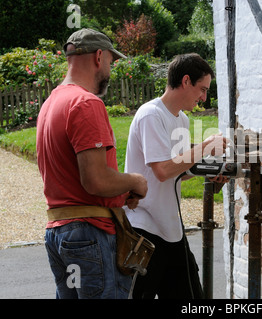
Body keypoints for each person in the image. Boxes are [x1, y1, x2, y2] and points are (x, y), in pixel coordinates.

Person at [36, 28, 148, 299]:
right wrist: (135, 181)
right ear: (99, 56)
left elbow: (71, 176)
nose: (110, 68)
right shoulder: (86, 103)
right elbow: (95, 180)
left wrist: (120, 193)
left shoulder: (51, 103)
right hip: (89, 233)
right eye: (111, 61)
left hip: (59, 233)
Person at [124, 53, 228, 299]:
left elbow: (178, 170)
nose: (204, 97)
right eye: (202, 89)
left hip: (171, 229)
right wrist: (205, 147)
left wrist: (209, 172)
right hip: (145, 229)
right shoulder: (151, 115)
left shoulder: (181, 119)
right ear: (185, 81)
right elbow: (162, 171)